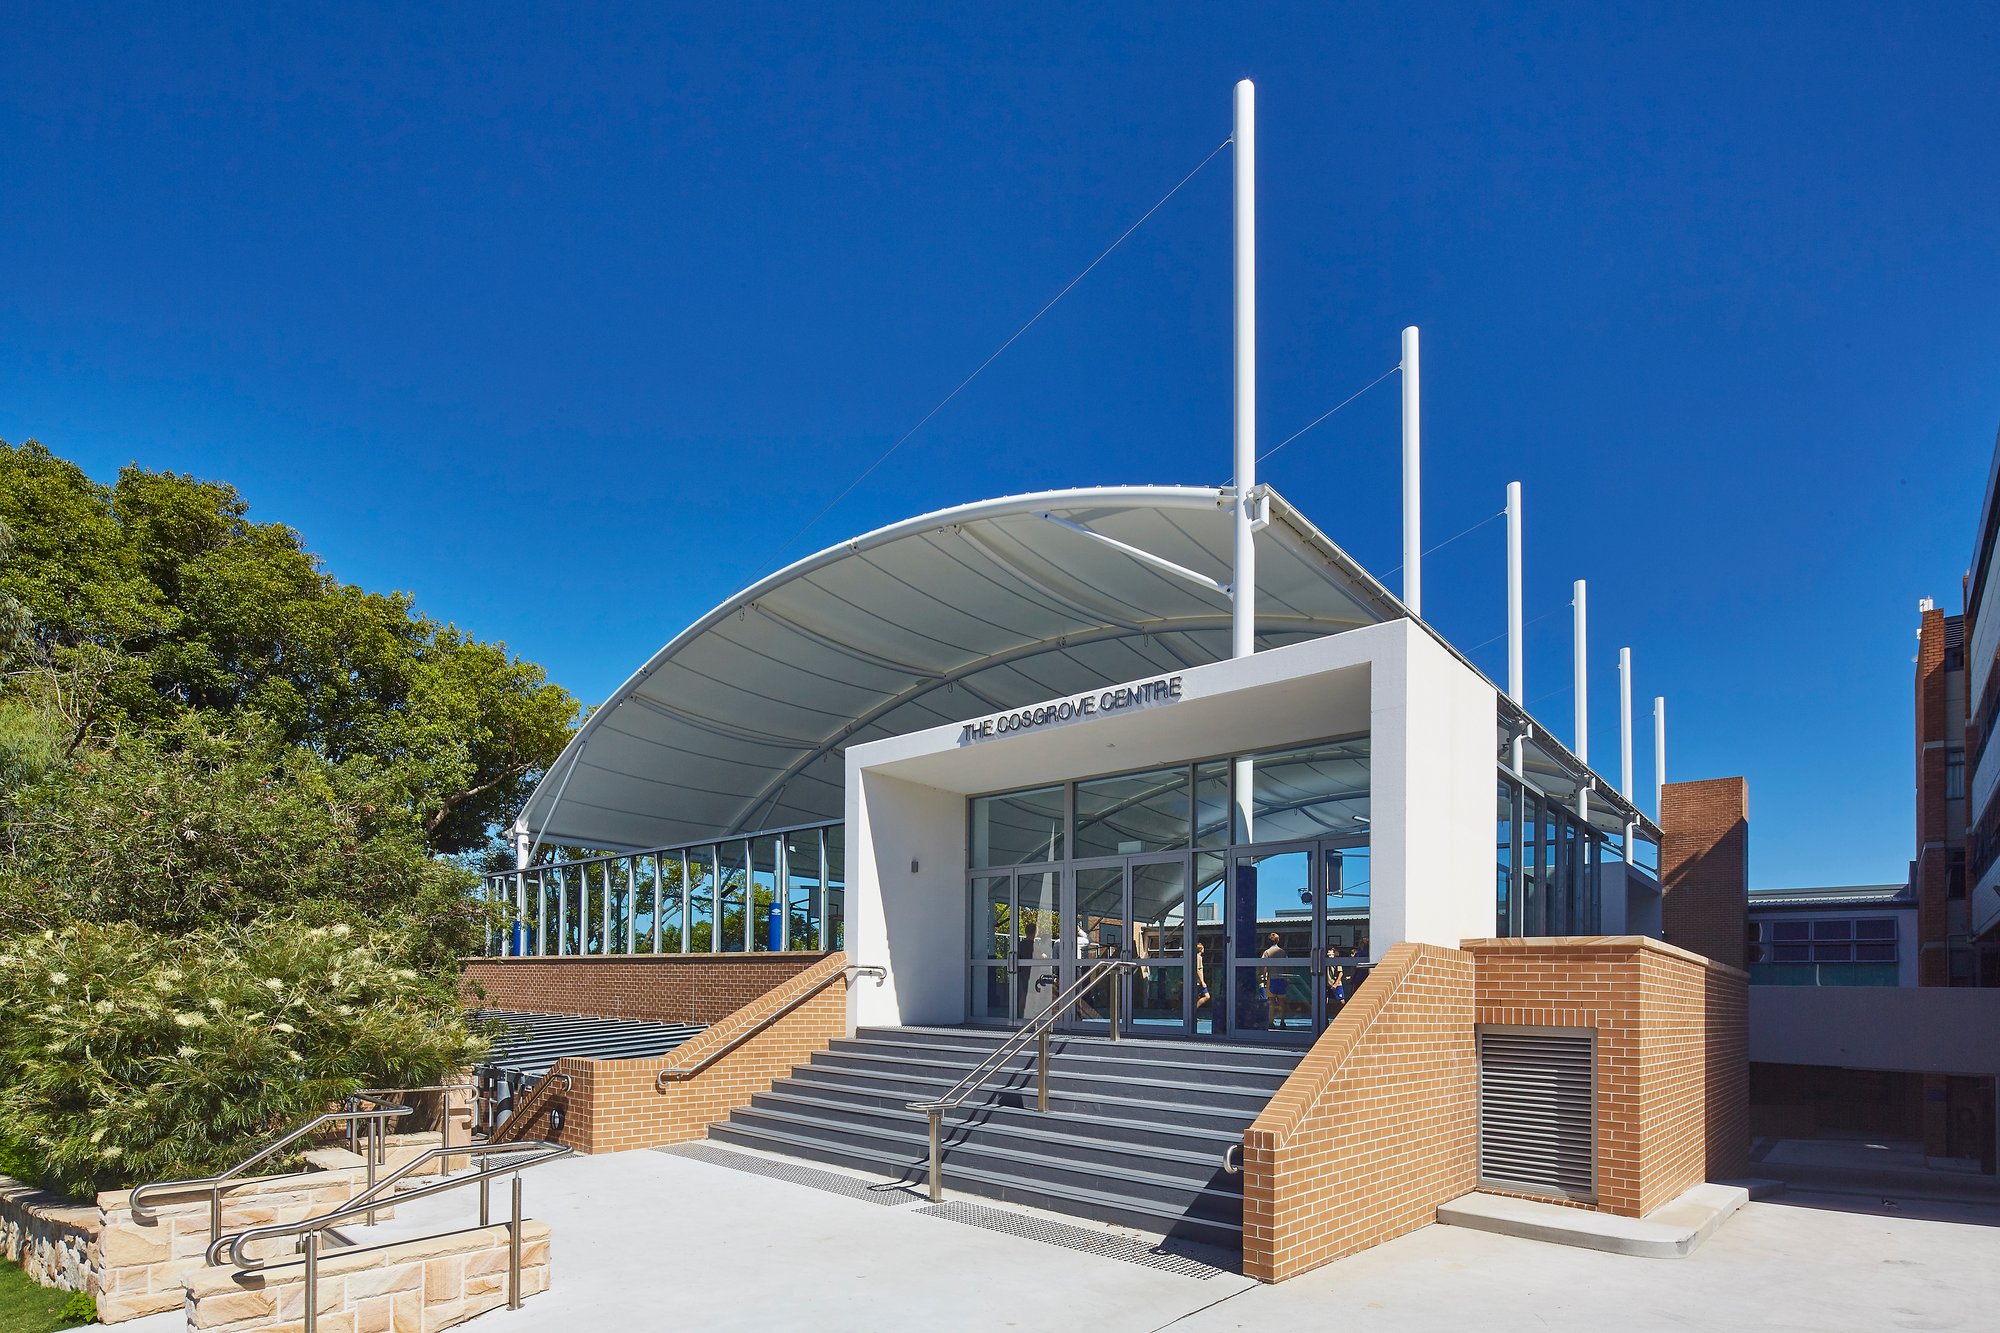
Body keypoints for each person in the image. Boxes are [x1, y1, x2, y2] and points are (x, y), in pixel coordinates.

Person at [1260, 932, 1291, 1030]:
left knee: (1271, 1002)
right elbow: (1287, 966)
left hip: (1272, 979)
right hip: (1281, 978)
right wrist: (1287, 977)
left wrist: (1264, 977)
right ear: (1278, 940)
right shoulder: (1282, 952)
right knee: (1282, 1002)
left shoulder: (1267, 952)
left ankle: (1270, 1022)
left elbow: (1264, 966)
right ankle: (1282, 1021)